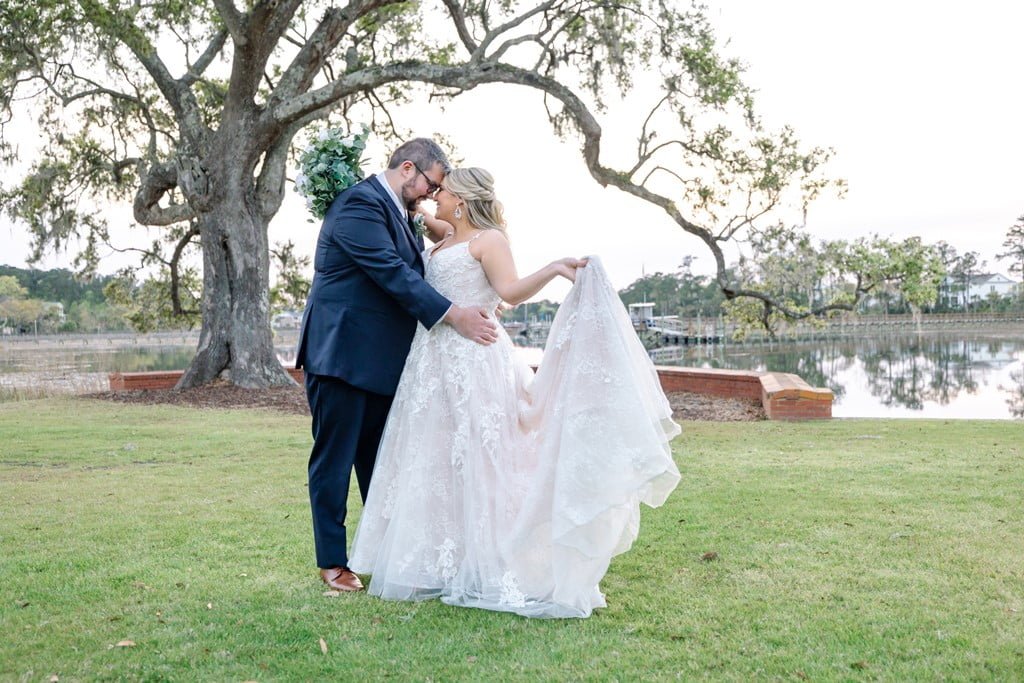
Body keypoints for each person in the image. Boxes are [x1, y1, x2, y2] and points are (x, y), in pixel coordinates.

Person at [348, 168, 681, 618]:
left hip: (474, 358)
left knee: (483, 459)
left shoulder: (489, 241)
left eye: (441, 191)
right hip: (431, 363)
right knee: (438, 456)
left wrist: (553, 267)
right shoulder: (445, 234)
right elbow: (412, 207)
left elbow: (510, 292)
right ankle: (442, 559)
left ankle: (494, 558)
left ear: (461, 200)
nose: (434, 195)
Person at [295, 140, 498, 593]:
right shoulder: (359, 206)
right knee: (335, 459)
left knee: (379, 461)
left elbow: (430, 255)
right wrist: (454, 314)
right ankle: (332, 561)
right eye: (431, 184)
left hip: (384, 360)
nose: (431, 194)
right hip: (342, 355)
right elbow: (392, 272)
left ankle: (387, 551)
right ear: (408, 169)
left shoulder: (401, 211)